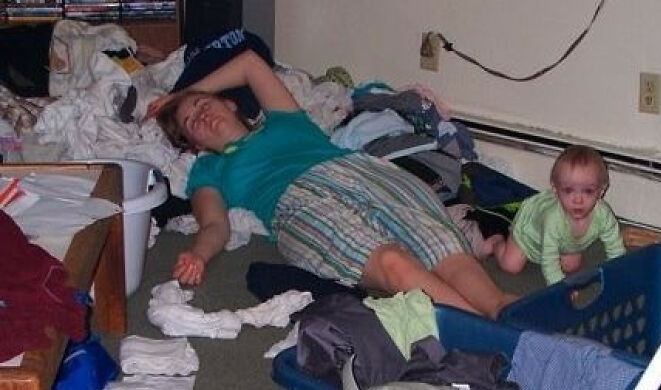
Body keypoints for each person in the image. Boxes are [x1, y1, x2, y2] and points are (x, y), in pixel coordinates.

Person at [149, 49, 515, 318]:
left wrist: (180, 95)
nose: (200, 115)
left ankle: (502, 312)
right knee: (392, 261)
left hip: (360, 171)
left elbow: (249, 63)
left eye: (201, 104)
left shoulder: (283, 120)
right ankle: (483, 335)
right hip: (295, 205)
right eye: (190, 121)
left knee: (440, 247)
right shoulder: (209, 170)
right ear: (194, 145)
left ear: (228, 104)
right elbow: (215, 224)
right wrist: (199, 254)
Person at [480, 145, 626, 285]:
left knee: (572, 266)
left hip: (565, 244)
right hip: (529, 235)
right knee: (511, 266)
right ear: (555, 190)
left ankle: (565, 250)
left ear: (601, 191)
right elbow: (549, 259)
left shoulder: (603, 215)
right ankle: (497, 243)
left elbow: (615, 246)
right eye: (568, 191)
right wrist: (560, 288)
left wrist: (619, 272)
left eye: (588, 191)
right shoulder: (553, 219)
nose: (578, 200)